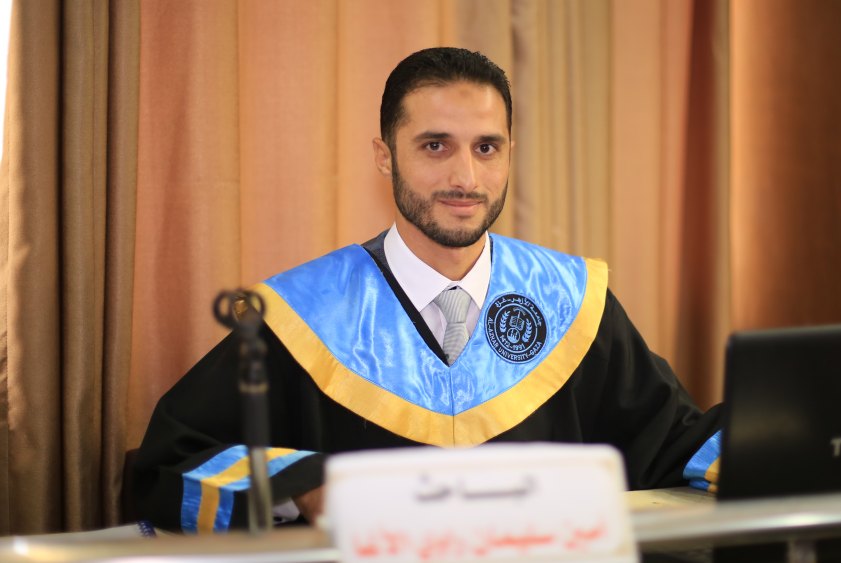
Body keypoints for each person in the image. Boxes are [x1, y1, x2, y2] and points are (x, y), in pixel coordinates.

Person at [133, 47, 722, 533]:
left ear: (509, 154)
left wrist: (767, 437)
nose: (465, 178)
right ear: (385, 157)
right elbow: (171, 464)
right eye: (435, 145)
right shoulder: (304, 317)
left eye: (486, 148)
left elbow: (671, 442)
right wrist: (304, 487)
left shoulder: (568, 303)